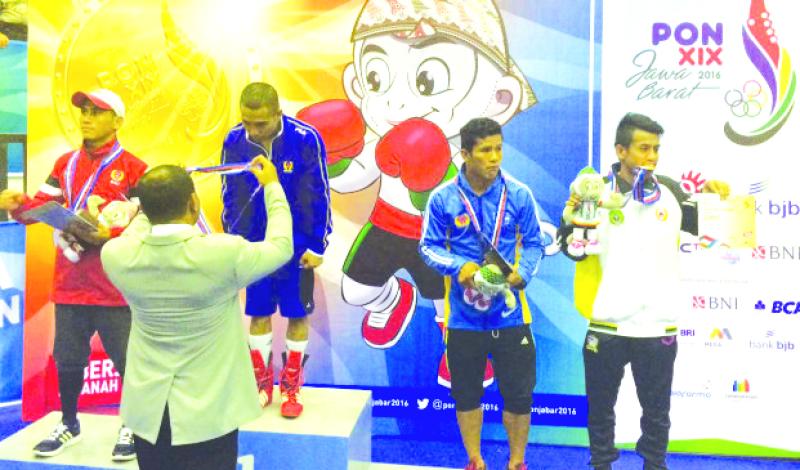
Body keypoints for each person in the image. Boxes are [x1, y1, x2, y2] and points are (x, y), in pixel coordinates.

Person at [297, 0, 537, 389]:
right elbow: (350, 180)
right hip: (385, 226)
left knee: (449, 304)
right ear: (357, 85)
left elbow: (477, 201)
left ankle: (460, 353)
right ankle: (392, 301)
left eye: (427, 80)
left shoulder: (468, 157)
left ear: (500, 99)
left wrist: (427, 172)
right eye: (376, 78)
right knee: (356, 291)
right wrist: (333, 158)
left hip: (441, 239)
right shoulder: (381, 142)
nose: (395, 102)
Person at [560, 113, 730, 470]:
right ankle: (601, 464)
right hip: (607, 322)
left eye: (656, 149)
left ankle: (654, 464)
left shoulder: (670, 191)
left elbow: (712, 226)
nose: (652, 156)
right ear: (621, 150)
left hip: (657, 324)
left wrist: (715, 199)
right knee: (600, 407)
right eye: (643, 148)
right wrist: (573, 219)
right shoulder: (593, 191)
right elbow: (571, 250)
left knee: (657, 411)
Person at [100, 157, 292, 470]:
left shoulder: (117, 255)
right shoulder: (223, 254)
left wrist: (150, 202)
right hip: (210, 414)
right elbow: (281, 246)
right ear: (193, 202)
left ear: (144, 208)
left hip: (149, 413)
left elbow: (140, 227)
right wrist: (272, 186)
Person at [0, 89, 147, 460]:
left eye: (96, 111)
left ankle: (133, 424)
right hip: (70, 283)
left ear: (117, 120)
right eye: (84, 111)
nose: (87, 117)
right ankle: (69, 423)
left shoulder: (135, 168)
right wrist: (18, 206)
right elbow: (40, 206)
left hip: (115, 284)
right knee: (67, 359)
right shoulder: (65, 163)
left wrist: (110, 233)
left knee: (128, 361)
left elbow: (147, 222)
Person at [419, 117, 544, 470]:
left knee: (519, 395)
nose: (494, 157)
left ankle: (517, 462)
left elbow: (534, 243)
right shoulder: (443, 198)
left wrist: (523, 273)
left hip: (511, 315)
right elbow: (427, 247)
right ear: (465, 154)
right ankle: (475, 459)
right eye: (485, 150)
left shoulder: (518, 194)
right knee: (466, 394)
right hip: (463, 318)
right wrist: (459, 266)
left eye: (498, 149)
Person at [221, 82, 331, 418]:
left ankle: (292, 387)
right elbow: (230, 195)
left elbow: (320, 194)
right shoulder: (234, 140)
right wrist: (234, 242)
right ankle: (261, 384)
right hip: (255, 245)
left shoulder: (306, 138)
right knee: (258, 313)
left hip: (297, 245)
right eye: (247, 122)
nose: (252, 131)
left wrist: (317, 244)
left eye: (261, 124)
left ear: (278, 114)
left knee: (298, 314)